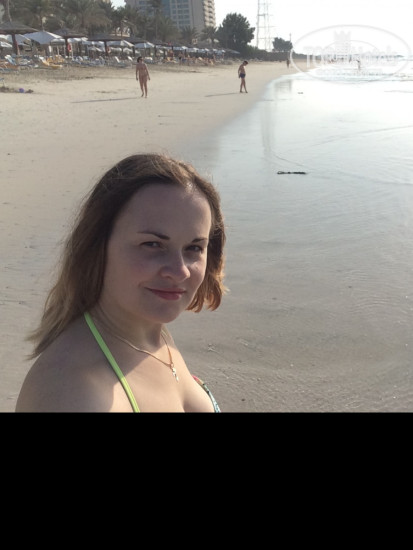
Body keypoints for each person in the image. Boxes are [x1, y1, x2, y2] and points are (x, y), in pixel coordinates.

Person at [15, 153, 226, 413]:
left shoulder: (148, 331)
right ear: (97, 247)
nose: (180, 271)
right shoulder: (72, 393)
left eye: (194, 248)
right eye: (152, 244)